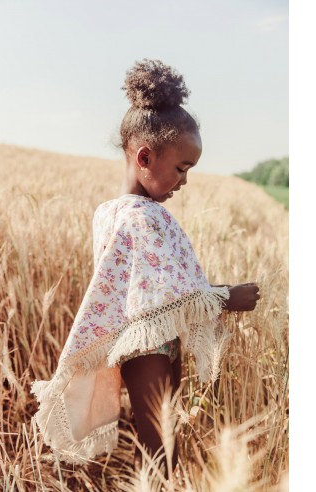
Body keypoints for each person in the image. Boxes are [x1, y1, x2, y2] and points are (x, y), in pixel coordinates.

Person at [31, 59, 260, 477]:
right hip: (148, 347)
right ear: (144, 156)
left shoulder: (109, 212)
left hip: (144, 340)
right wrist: (230, 296)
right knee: (162, 446)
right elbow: (171, 294)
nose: (184, 182)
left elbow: (155, 288)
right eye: (181, 168)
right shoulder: (142, 217)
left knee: (155, 439)